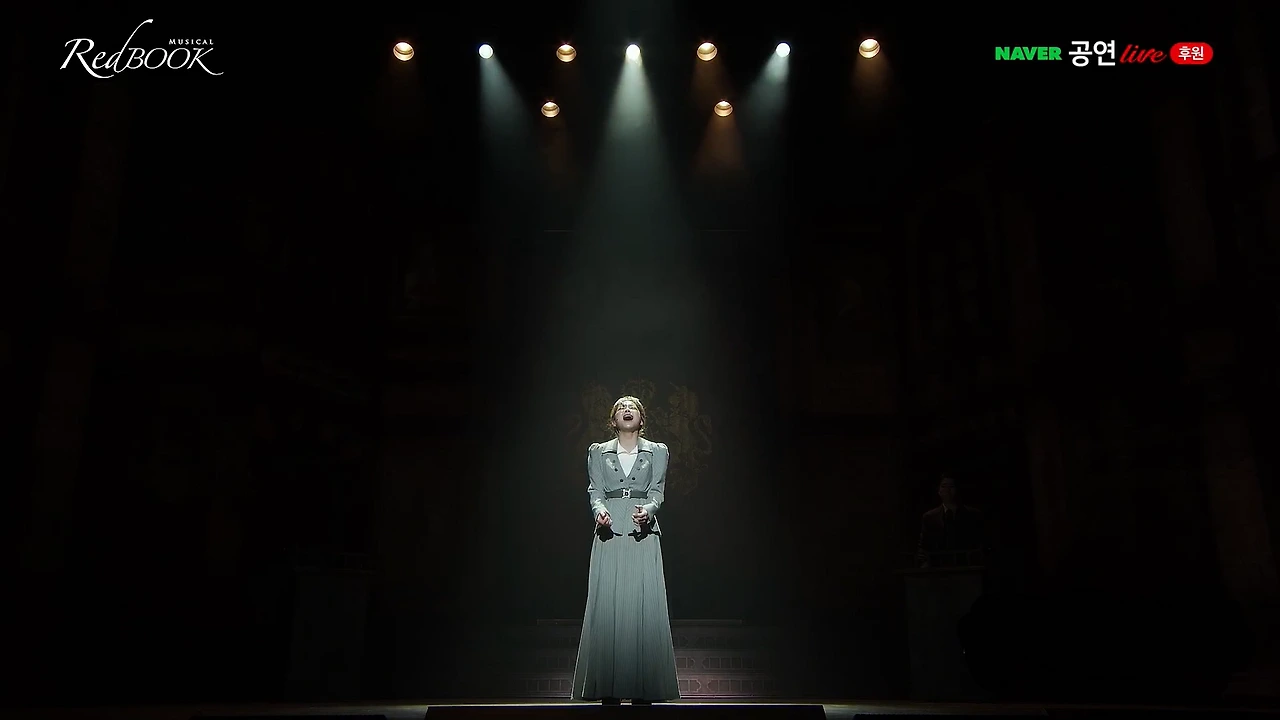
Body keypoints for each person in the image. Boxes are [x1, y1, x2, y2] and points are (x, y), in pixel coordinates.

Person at [571, 396, 681, 705]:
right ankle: (608, 689)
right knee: (608, 605)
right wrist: (599, 511)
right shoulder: (598, 451)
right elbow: (595, 490)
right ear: (613, 419)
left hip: (641, 529)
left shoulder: (657, 451)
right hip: (610, 530)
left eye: (633, 407)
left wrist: (649, 510)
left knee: (643, 605)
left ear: (642, 419)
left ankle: (644, 689)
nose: (627, 409)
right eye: (621, 407)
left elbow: (657, 491)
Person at [916, 475, 985, 567]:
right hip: (938, 568)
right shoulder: (929, 517)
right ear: (939, 491)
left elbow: (981, 543)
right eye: (944, 486)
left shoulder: (973, 515)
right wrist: (925, 563)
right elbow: (924, 546)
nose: (947, 490)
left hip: (966, 567)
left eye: (951, 486)